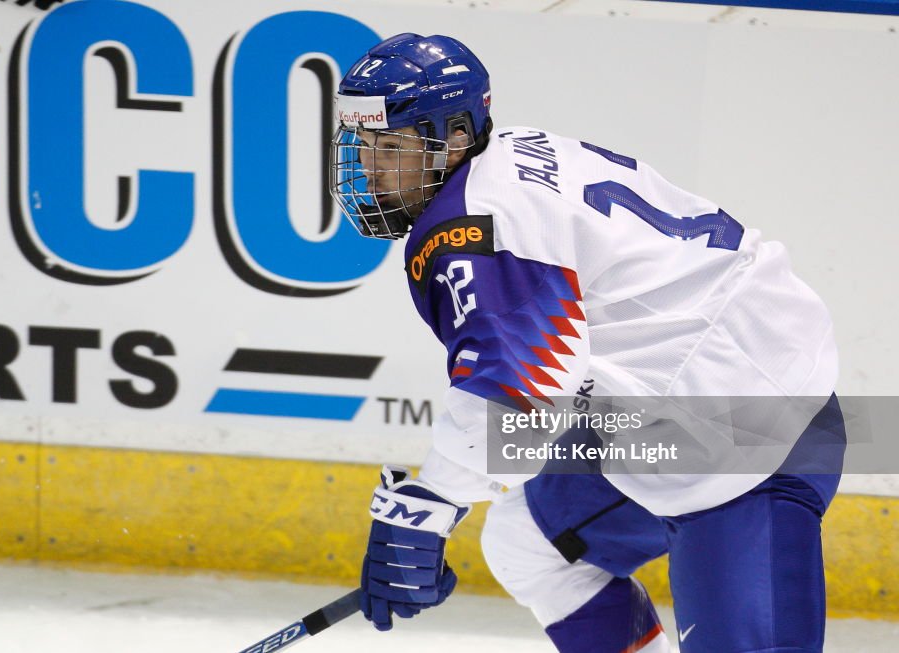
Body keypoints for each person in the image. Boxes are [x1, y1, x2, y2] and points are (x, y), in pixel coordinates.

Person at [329, 33, 845, 653]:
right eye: (362, 145)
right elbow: (551, 376)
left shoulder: (472, 228)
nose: (370, 168)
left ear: (457, 137)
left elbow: (524, 387)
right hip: (698, 395)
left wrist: (432, 503)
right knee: (533, 546)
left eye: (392, 147)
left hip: (747, 441)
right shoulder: (513, 155)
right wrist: (438, 498)